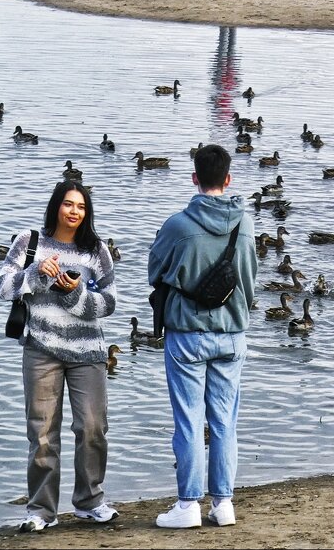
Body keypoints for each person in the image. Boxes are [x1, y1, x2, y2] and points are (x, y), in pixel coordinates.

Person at [0, 181, 119, 533]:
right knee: (42, 433)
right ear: (56, 206)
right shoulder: (29, 241)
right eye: (68, 204)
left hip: (88, 352)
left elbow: (109, 303)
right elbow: (3, 287)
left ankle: (89, 502)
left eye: (81, 206)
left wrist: (72, 292)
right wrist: (35, 274)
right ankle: (41, 511)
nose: (74, 211)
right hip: (41, 350)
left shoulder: (97, 250)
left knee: (92, 428)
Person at [147, 144, 258, 529]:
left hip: (187, 336)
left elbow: (154, 272)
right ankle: (223, 504)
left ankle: (188, 505)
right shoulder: (246, 225)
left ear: (194, 177)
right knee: (225, 421)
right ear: (228, 179)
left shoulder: (177, 225)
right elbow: (250, 282)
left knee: (190, 421)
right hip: (232, 335)